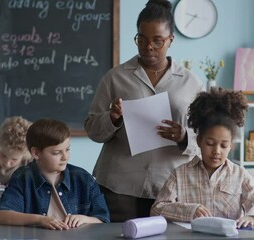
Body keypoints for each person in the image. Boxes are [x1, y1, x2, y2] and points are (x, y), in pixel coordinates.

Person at [85, 0, 203, 222]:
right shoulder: (115, 77)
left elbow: (206, 134)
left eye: (157, 41)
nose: (148, 47)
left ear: (170, 40)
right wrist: (112, 118)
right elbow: (92, 129)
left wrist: (184, 136)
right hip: (119, 186)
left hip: (169, 186)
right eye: (142, 39)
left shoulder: (191, 82)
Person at [150, 88, 254, 228]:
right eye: (210, 144)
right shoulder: (180, 174)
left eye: (223, 145)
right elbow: (157, 209)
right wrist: (190, 210)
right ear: (199, 141)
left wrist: (251, 216)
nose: (216, 151)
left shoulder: (240, 175)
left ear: (230, 146)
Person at [0, 119, 110, 230]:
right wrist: (40, 220)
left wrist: (85, 219)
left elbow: (103, 219)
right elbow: (1, 216)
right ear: (36, 153)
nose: (65, 157)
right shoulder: (22, 178)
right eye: (57, 153)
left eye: (67, 149)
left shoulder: (83, 179)